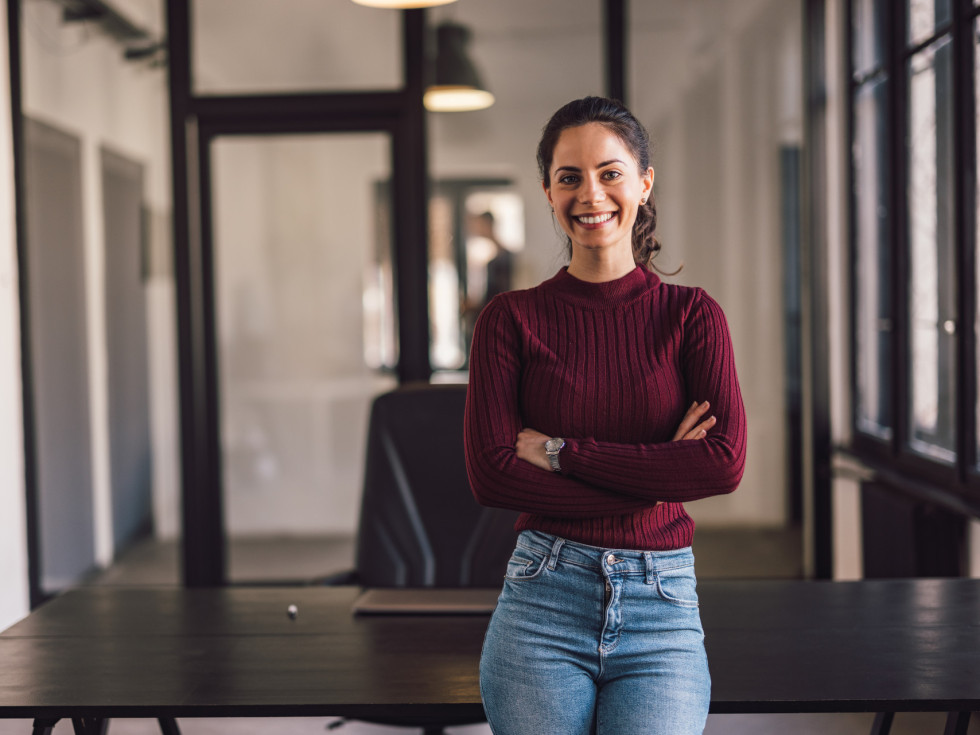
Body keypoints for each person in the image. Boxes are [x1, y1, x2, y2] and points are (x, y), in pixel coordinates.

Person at [462, 96, 747, 735]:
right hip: (543, 601)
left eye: (610, 172)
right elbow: (492, 476)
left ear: (644, 183)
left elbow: (722, 464)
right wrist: (659, 476)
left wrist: (561, 452)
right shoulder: (509, 320)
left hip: (661, 608)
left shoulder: (692, 316)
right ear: (548, 192)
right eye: (570, 177)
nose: (591, 194)